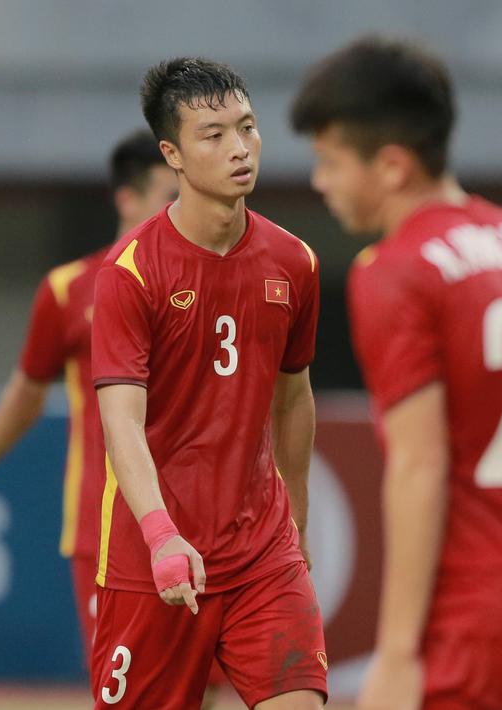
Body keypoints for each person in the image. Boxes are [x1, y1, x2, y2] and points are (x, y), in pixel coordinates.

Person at [291, 36, 502, 710]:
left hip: (474, 614)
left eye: (329, 162)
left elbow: (418, 466)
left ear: (392, 166)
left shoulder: (394, 271)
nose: (319, 183)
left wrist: (398, 654)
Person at [87, 57, 326, 710]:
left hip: (260, 557)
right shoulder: (130, 273)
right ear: (173, 155)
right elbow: (122, 423)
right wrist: (162, 536)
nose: (239, 148)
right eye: (213, 135)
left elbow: (292, 395)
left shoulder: (293, 262)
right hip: (152, 564)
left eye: (246, 128)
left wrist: (296, 519)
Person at [0, 129, 177, 663]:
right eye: (169, 198)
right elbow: (25, 396)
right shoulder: (69, 291)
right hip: (103, 529)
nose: (183, 212)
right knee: (131, 691)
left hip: (202, 520)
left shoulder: (210, 284)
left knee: (205, 689)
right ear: (127, 199)